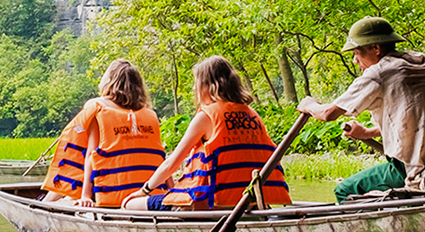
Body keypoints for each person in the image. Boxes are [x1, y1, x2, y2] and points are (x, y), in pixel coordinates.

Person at [297, 16, 425, 202]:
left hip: (413, 169)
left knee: (345, 190)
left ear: (376, 49)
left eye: (357, 53)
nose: (355, 60)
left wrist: (308, 105)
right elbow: (414, 119)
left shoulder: (379, 73)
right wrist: (366, 132)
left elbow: (328, 114)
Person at [122, 55, 291, 211]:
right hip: (249, 204)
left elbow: (171, 164)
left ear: (209, 86)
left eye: (197, 82)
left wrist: (144, 190)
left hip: (207, 205)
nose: (194, 88)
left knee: (130, 204)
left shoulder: (206, 116)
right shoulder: (253, 115)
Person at [41, 59, 166, 207]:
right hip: (145, 193)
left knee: (73, 169)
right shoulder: (148, 113)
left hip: (110, 194)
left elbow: (91, 154)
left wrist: (85, 196)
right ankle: (45, 203)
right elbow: (160, 157)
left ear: (110, 82)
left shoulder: (98, 106)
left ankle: (44, 204)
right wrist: (170, 190)